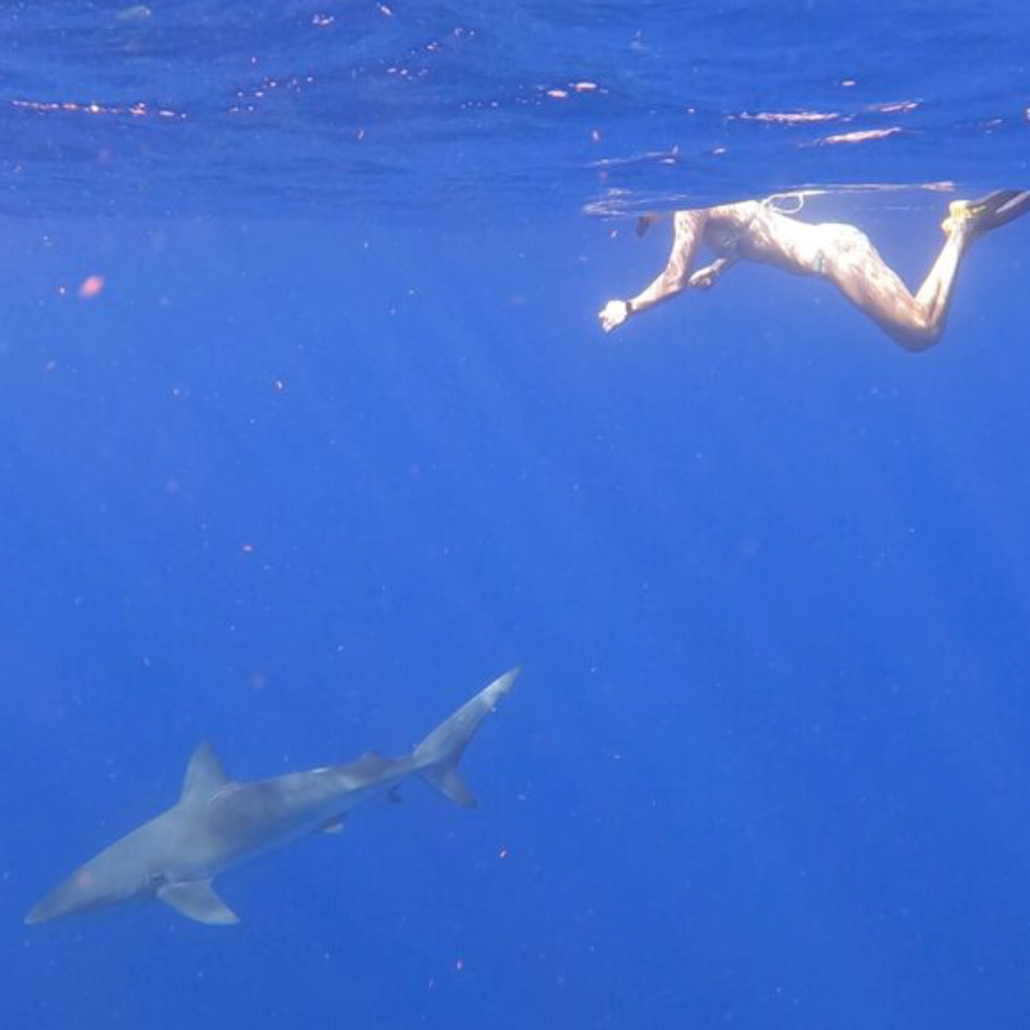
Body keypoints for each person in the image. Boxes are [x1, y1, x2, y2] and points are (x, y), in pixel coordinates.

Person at [598, 189, 1030, 352]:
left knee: (922, 333)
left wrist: (629, 306)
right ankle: (962, 230)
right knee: (920, 329)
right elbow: (758, 233)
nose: (644, 223)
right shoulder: (708, 198)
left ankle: (963, 229)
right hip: (836, 247)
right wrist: (720, 268)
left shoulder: (687, 207)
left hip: (835, 254)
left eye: (640, 217)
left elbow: (673, 280)